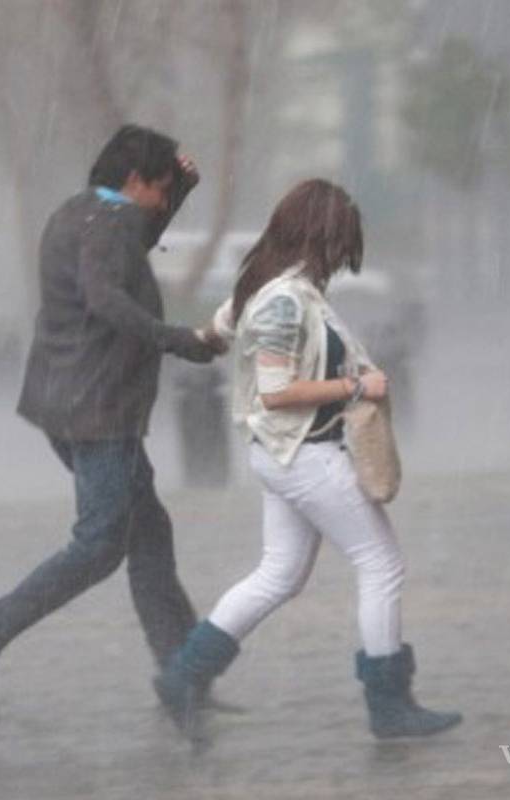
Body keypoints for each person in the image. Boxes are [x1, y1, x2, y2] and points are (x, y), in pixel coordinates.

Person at [153, 179, 462, 741]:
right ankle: (389, 705)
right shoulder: (283, 300)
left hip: (282, 453)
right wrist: (356, 386)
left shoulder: (267, 287)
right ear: (322, 236)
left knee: (278, 574)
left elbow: (218, 329)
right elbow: (275, 391)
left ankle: (184, 676)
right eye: (342, 242)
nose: (345, 256)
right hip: (303, 454)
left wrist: (189, 340)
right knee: (380, 563)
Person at [0, 124, 224, 726]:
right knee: (99, 545)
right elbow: (106, 295)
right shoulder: (110, 225)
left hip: (64, 401)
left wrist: (184, 192)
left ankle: (184, 671)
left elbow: (130, 248)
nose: (161, 200)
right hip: (99, 411)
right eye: (162, 188)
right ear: (134, 180)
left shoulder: (80, 214)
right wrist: (181, 341)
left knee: (148, 533)